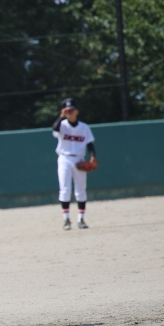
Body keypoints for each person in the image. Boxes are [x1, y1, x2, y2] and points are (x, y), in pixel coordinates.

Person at [52, 98, 97, 230]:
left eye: (72, 110)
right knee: (65, 189)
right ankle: (66, 220)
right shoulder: (62, 125)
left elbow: (90, 143)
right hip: (64, 158)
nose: (70, 112)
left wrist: (93, 156)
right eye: (67, 110)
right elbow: (54, 128)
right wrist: (61, 116)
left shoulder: (84, 127)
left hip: (79, 159)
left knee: (80, 190)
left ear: (77, 111)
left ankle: (81, 219)